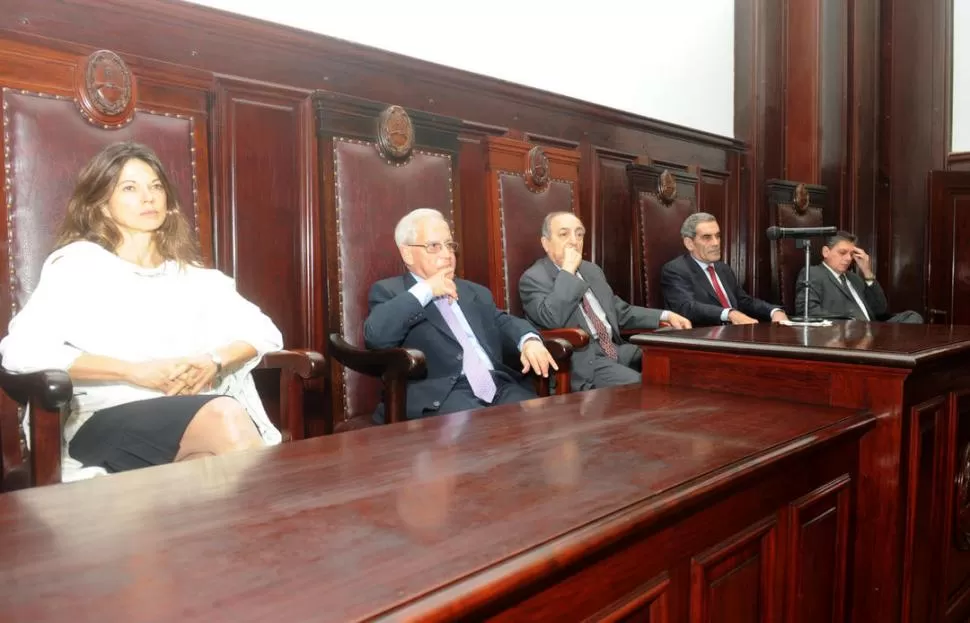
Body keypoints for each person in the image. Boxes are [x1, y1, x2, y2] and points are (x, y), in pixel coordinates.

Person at [0, 142, 284, 481]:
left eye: (156, 186)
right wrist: (133, 372)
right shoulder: (77, 266)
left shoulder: (193, 277)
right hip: (106, 419)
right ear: (102, 206)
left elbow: (265, 332)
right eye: (130, 188)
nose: (148, 197)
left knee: (210, 473)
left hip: (192, 416)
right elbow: (20, 351)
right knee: (225, 415)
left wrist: (215, 360)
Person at [363, 208, 557, 422]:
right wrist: (426, 290)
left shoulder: (473, 291)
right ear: (407, 253)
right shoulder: (391, 292)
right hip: (442, 397)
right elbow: (376, 336)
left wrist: (528, 340)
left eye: (449, 245)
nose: (447, 254)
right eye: (434, 246)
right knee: (483, 437)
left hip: (499, 388)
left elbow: (502, 321)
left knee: (545, 423)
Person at [519, 211, 691, 390]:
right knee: (648, 387)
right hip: (582, 362)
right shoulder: (533, 278)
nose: (574, 241)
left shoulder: (591, 270)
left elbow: (619, 311)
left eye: (579, 234)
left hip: (617, 350)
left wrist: (666, 315)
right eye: (564, 234)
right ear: (546, 243)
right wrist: (568, 271)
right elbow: (551, 318)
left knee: (679, 367)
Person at [661, 212, 789, 326]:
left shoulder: (723, 269)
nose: (716, 243)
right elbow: (688, 307)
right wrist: (729, 314)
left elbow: (743, 301)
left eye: (718, 236)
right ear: (689, 243)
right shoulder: (675, 270)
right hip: (703, 340)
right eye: (707, 237)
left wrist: (773, 311)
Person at [794, 230, 923, 323]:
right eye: (842, 253)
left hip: (874, 330)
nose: (848, 258)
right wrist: (850, 321)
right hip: (845, 334)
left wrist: (867, 272)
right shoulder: (813, 273)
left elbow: (880, 310)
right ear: (826, 252)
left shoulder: (854, 278)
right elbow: (807, 312)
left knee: (913, 316)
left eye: (851, 254)